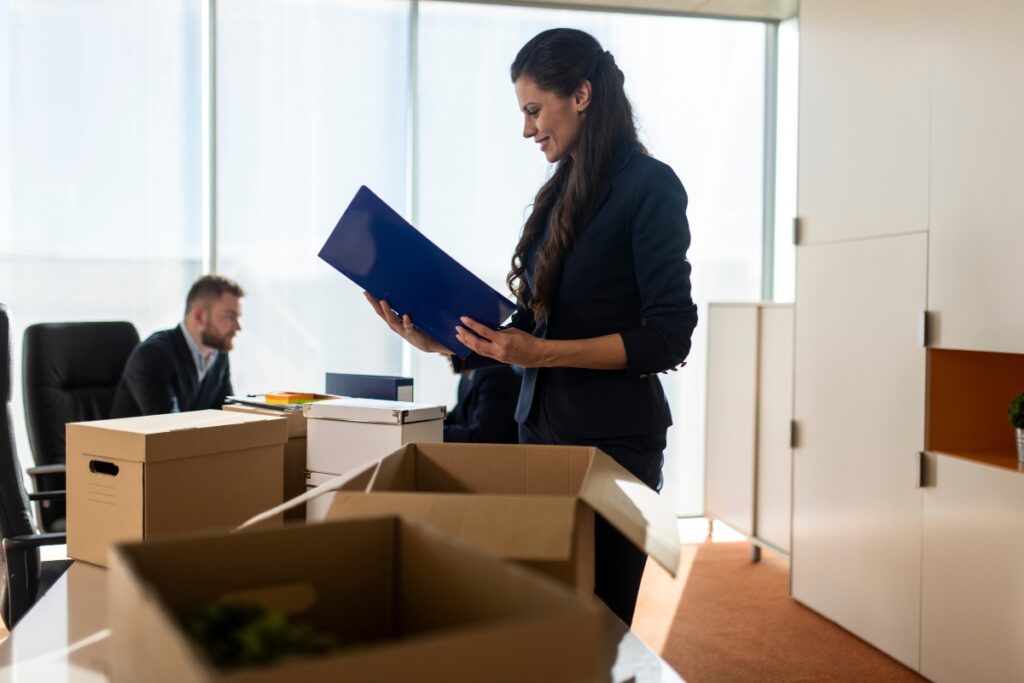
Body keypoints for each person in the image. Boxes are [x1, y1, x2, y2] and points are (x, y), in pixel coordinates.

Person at [365, 28, 697, 625]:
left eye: (533, 110)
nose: (527, 129)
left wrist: (543, 352)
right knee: (543, 620)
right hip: (539, 438)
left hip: (613, 449)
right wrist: (444, 343)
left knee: (597, 628)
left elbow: (669, 336)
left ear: (582, 95)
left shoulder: (650, 187)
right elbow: (535, 328)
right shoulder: (562, 190)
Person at [110, 275, 244, 418]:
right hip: (138, 440)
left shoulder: (218, 354)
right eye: (230, 317)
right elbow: (169, 428)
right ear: (199, 316)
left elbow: (227, 417)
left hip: (185, 439)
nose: (238, 327)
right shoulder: (152, 355)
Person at [443, 366, 522, 444]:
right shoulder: (466, 378)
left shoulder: (495, 376)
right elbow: (457, 416)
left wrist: (439, 433)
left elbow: (481, 437)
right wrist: (433, 422)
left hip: (496, 454)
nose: (442, 353)